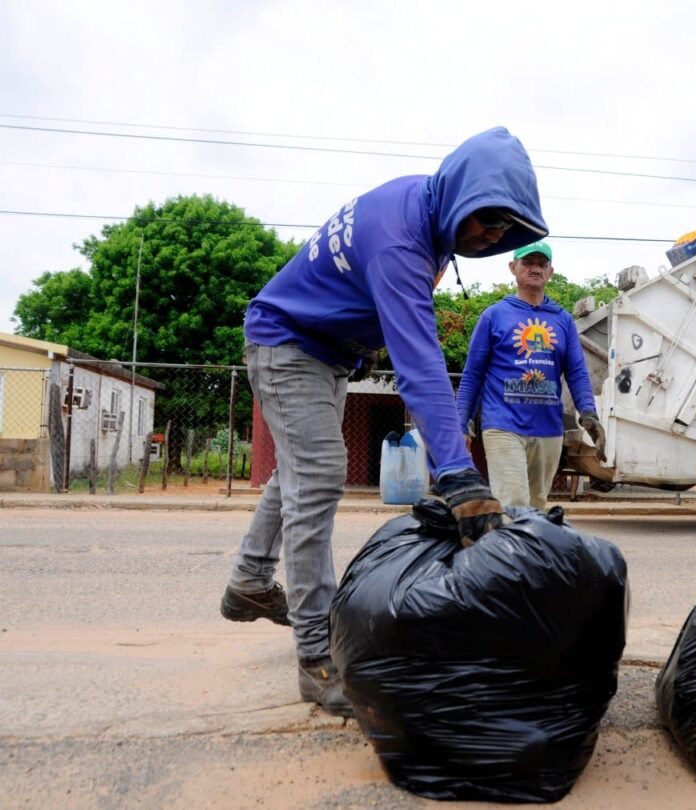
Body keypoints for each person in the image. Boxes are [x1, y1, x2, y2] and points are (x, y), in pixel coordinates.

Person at [219, 127, 548, 716]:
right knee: (318, 474)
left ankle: (248, 580)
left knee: (298, 470)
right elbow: (419, 363)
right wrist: (458, 475)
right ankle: (316, 657)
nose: (489, 235)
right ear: (458, 194)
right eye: (484, 219)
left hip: (325, 348)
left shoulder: (426, 211)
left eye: (502, 229)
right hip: (287, 341)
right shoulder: (401, 239)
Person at [455, 241, 605, 511]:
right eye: (528, 263)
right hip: (503, 424)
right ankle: (506, 553)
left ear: (550, 272)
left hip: (548, 428)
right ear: (513, 268)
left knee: (536, 508)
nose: (535, 268)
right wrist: (461, 424)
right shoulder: (493, 316)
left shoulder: (563, 320)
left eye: (541, 264)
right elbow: (472, 376)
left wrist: (588, 412)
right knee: (512, 504)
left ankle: (521, 552)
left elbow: (577, 372)